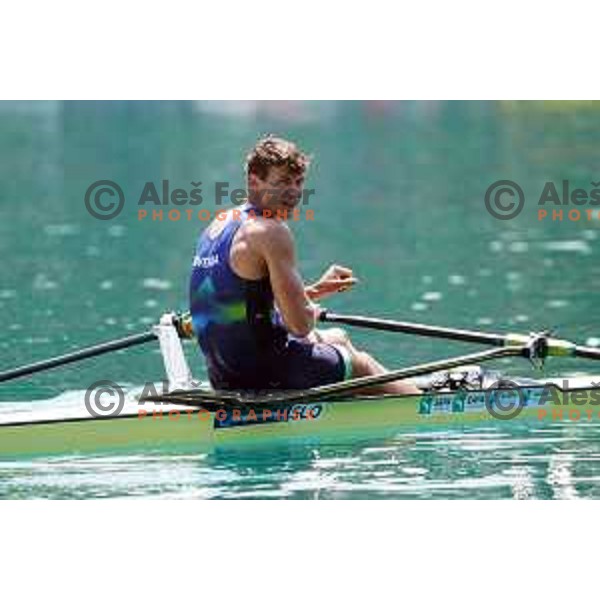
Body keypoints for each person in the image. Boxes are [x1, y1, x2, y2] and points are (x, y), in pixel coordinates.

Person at [189, 135, 420, 395]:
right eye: (283, 182)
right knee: (361, 363)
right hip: (265, 373)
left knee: (338, 337)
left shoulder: (222, 223)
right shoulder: (271, 231)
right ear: (255, 181)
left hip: (224, 374)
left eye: (299, 182)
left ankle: (372, 393)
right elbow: (300, 326)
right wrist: (305, 309)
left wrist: (312, 291)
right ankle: (421, 404)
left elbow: (240, 303)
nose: (295, 192)